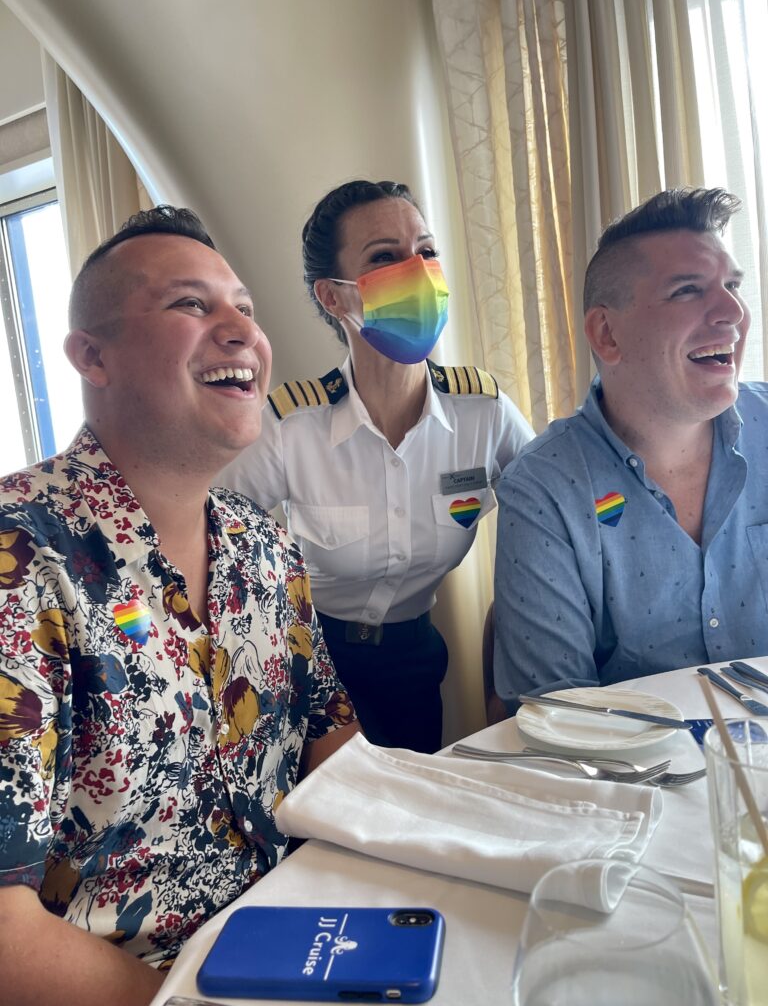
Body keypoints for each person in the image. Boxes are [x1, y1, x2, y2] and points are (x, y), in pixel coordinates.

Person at [0, 206, 360, 1006]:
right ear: (92, 356)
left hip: (295, 948)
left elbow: (333, 747)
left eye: (247, 308)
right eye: (192, 306)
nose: (241, 331)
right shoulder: (20, 560)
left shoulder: (266, 545)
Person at [220, 180, 533, 752]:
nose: (416, 272)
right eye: (385, 257)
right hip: (309, 668)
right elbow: (203, 539)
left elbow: (555, 515)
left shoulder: (483, 413)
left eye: (426, 252)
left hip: (414, 662)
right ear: (333, 297)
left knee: (408, 830)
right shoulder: (292, 427)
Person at [493, 186, 768, 708]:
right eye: (688, 290)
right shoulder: (544, 486)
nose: (733, 312)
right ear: (607, 334)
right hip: (640, 781)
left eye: (732, 285)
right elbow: (558, 715)